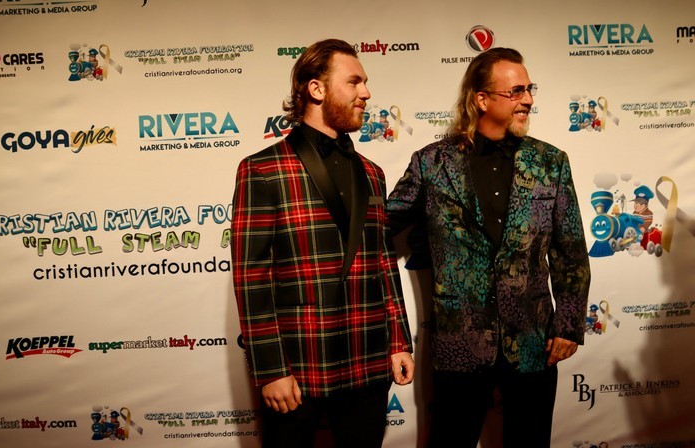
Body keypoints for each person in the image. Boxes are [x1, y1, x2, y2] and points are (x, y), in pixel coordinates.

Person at [386, 47, 591, 447]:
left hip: (532, 339)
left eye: (529, 89)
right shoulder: (432, 163)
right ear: (481, 99)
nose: (528, 99)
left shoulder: (551, 162)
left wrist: (568, 324)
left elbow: (570, 251)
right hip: (459, 341)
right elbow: (382, 224)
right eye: (516, 91)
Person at [231, 38, 414, 448]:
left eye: (365, 82)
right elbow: (251, 278)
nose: (367, 93)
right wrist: (271, 369)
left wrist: (399, 341)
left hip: (368, 360)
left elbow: (384, 262)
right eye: (354, 82)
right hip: (299, 366)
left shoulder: (373, 172)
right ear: (316, 88)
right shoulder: (262, 170)